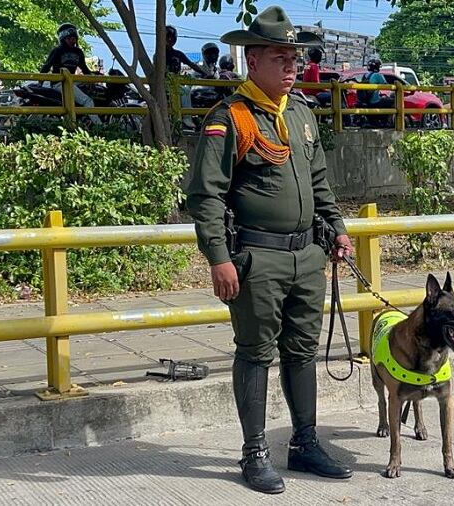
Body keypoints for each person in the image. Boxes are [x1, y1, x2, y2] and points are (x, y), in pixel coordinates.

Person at [186, 5, 354, 495]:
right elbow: (206, 196)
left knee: (301, 351)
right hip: (257, 259)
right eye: (280, 58)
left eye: (294, 58)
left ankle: (304, 443)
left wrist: (337, 230)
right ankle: (255, 452)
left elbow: (319, 182)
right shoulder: (230, 119)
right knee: (256, 353)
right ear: (252, 60)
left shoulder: (300, 113)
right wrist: (218, 256)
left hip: (307, 257)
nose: (291, 67)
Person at [40, 23, 101, 125]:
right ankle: (100, 127)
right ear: (63, 39)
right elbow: (46, 67)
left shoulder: (78, 52)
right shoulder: (57, 51)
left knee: (85, 89)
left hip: (71, 81)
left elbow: (84, 68)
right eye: (69, 38)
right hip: (59, 83)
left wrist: (93, 76)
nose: (72, 41)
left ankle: (82, 118)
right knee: (87, 101)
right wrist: (40, 81)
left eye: (74, 38)